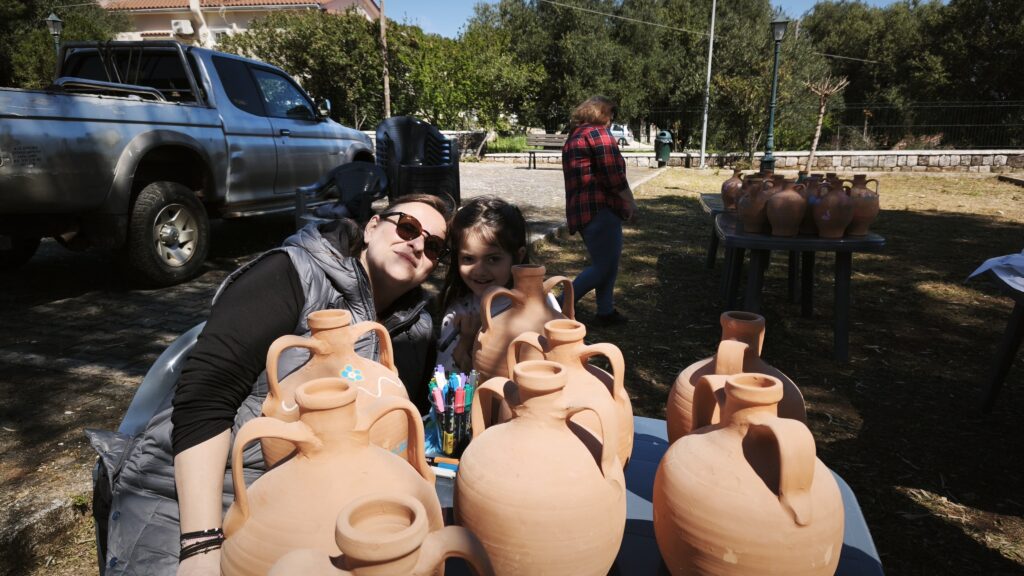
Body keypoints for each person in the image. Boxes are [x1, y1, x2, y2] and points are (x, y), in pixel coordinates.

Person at [91, 193, 453, 576]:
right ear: (372, 227)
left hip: (320, 499)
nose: (417, 245)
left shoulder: (416, 328)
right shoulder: (292, 272)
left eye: (433, 246)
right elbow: (205, 397)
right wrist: (200, 544)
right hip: (200, 494)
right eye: (408, 228)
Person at [562, 95, 639, 326]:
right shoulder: (597, 133)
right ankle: (558, 305)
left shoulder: (575, 135)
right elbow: (613, 174)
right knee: (604, 266)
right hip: (600, 208)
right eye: (610, 115)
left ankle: (605, 311)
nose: (611, 121)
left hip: (582, 210)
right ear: (601, 113)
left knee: (607, 263)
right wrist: (630, 202)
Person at [435, 196, 530, 373]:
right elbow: (443, 381)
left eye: (493, 259)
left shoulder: (540, 305)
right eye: (468, 259)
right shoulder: (459, 313)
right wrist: (466, 343)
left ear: (518, 256)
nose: (479, 270)